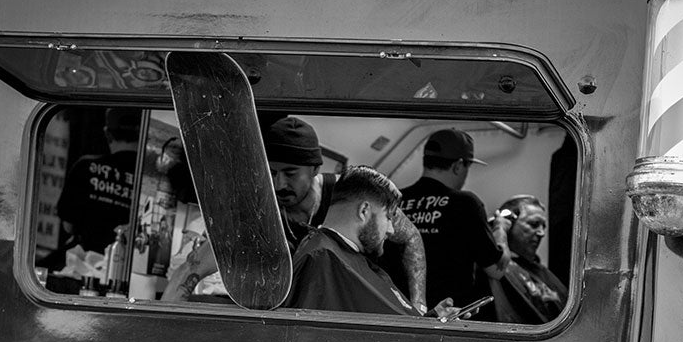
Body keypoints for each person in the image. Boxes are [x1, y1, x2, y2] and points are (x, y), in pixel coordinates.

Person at [162, 117, 428, 309]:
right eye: (272, 174)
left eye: (290, 173)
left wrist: (418, 305)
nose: (279, 185)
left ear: (314, 169)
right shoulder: (258, 215)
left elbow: (411, 238)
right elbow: (189, 271)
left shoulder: (348, 195)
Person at [284, 166, 461, 319]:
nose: (391, 229)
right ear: (364, 210)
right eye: (388, 217)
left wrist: (431, 320)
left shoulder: (339, 255)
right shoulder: (322, 259)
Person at [387, 128, 509, 310]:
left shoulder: (394, 200)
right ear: (458, 165)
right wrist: (501, 229)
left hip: (399, 313)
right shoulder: (466, 203)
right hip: (450, 315)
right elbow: (496, 270)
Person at [57, 108, 141, 254]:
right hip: (128, 264)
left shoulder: (85, 166)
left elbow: (68, 226)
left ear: (107, 134)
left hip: (85, 263)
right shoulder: (148, 178)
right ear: (142, 134)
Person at [485, 195, 567, 324]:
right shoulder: (490, 267)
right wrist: (498, 229)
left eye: (543, 227)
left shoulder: (542, 273)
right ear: (509, 223)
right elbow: (496, 262)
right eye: (534, 224)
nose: (542, 233)